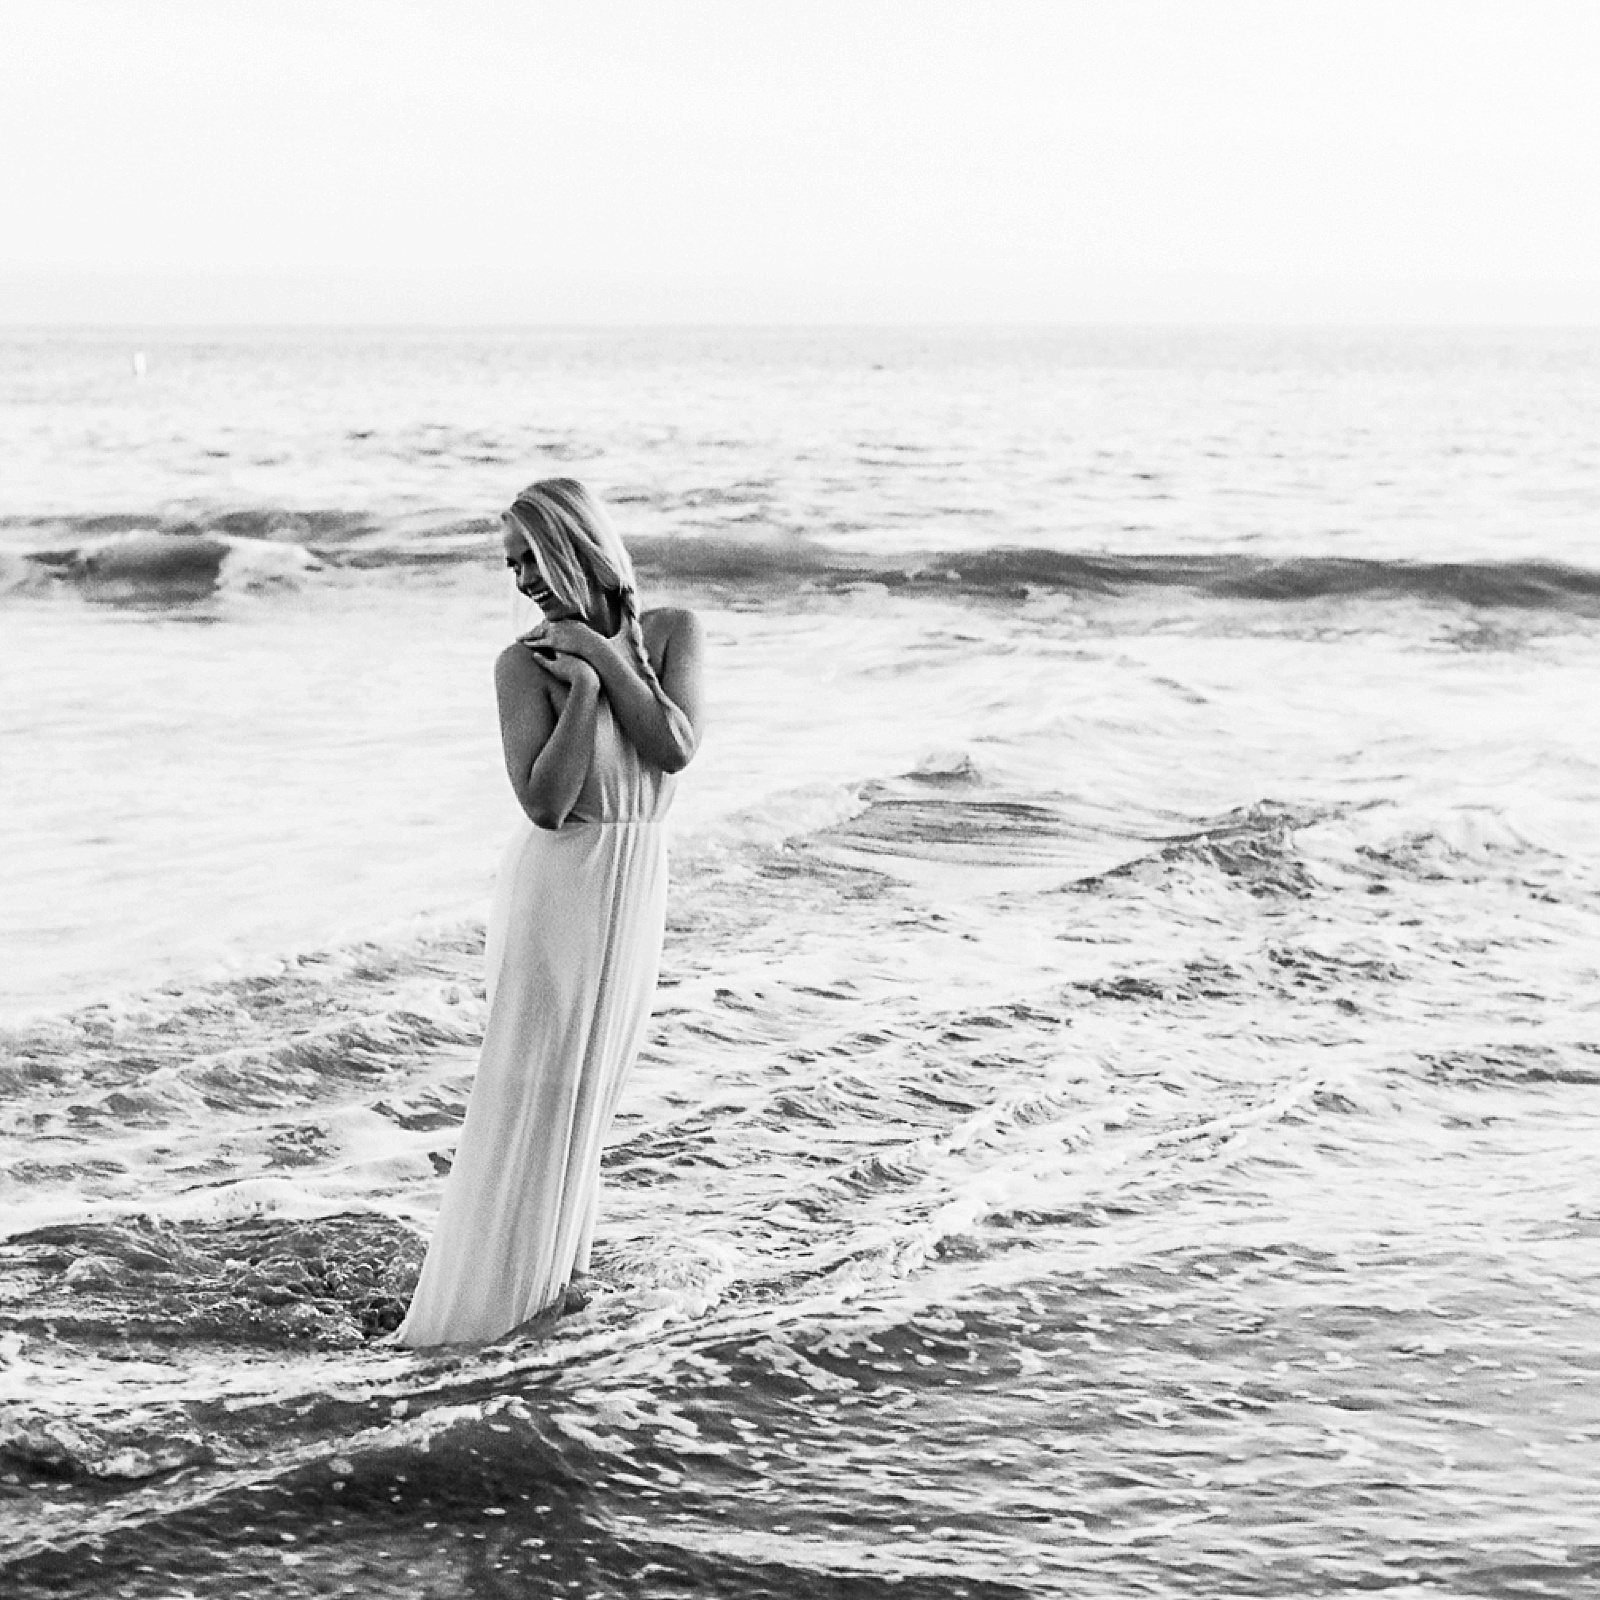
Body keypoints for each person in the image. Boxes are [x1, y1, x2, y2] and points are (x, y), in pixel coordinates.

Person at [395, 478, 704, 1347]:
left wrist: (605, 660)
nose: (522, 579)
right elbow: (547, 803)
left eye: (532, 556)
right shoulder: (519, 666)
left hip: (635, 891)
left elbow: (673, 746)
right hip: (560, 892)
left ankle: (556, 1282)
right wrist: (580, 698)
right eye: (511, 564)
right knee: (533, 1093)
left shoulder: (673, 633)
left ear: (579, 543)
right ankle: (484, 1310)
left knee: (591, 1098)